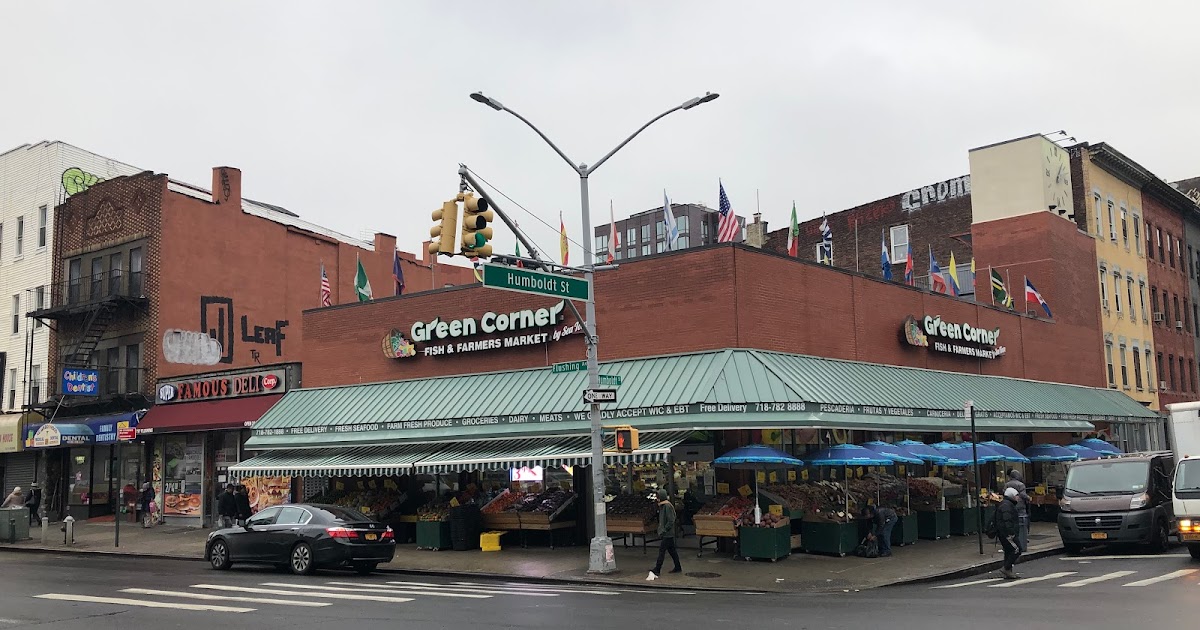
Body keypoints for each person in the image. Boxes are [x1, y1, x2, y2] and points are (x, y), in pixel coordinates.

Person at [649, 492, 682, 579]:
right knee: (672, 551)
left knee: (662, 551)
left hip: (667, 533)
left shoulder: (667, 506)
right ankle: (678, 567)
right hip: (668, 533)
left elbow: (671, 520)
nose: (657, 499)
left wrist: (664, 529)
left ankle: (657, 569)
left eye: (658, 497)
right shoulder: (663, 506)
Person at [996, 487, 1023, 579]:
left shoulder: (1007, 504)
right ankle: (1006, 568)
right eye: (1016, 495)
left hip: (1006, 533)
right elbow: (1007, 520)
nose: (1018, 497)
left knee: (1008, 551)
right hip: (1008, 534)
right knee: (1017, 549)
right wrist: (1010, 533)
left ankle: (1008, 571)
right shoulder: (1007, 506)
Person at [1004, 469, 1031, 553]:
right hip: (1020, 506)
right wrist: (1029, 498)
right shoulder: (1021, 485)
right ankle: (1022, 539)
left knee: (1013, 524)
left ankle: (1014, 540)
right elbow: (1023, 495)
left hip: (1010, 506)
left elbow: (1004, 493)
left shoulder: (1007, 484)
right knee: (1022, 522)